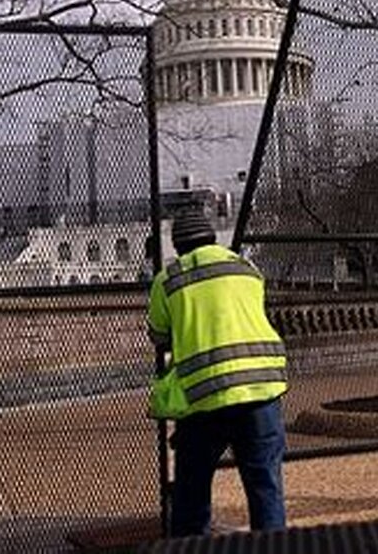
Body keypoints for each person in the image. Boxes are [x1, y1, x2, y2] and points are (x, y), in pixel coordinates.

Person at [147, 207, 289, 536]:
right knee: (265, 487)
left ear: (179, 247)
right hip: (262, 389)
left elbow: (158, 333)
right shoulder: (247, 268)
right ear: (212, 239)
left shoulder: (169, 280)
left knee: (192, 491)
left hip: (204, 398)